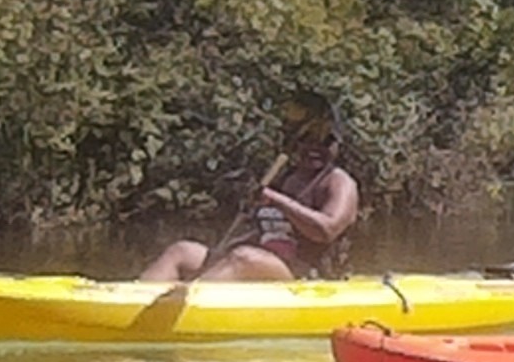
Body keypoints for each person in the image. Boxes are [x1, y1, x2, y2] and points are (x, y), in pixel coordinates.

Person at [135, 93, 361, 284]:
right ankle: (135, 302)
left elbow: (326, 230)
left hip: (309, 278)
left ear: (337, 145)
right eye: (307, 140)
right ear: (295, 143)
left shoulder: (339, 182)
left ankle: (189, 304)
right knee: (182, 251)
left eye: (326, 141)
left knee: (244, 258)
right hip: (266, 261)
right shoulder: (284, 177)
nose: (315, 148)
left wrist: (275, 200)